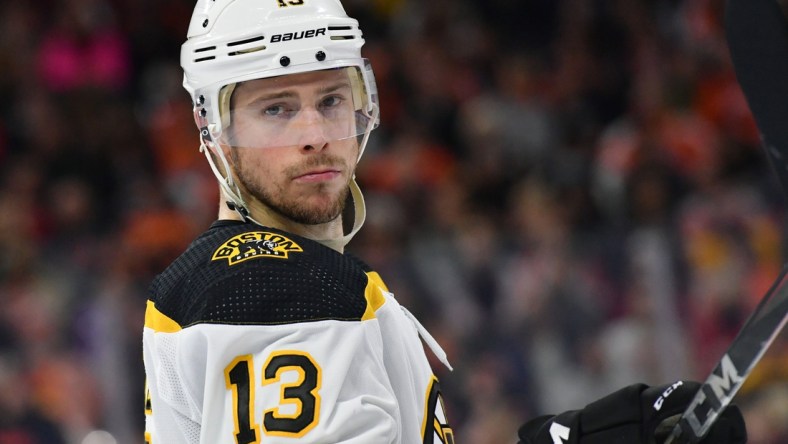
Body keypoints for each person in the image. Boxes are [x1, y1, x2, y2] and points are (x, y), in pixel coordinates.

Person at [142, 1, 747, 443]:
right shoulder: (278, 288)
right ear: (212, 131)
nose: (316, 135)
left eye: (330, 100)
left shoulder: (233, 279)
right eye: (276, 108)